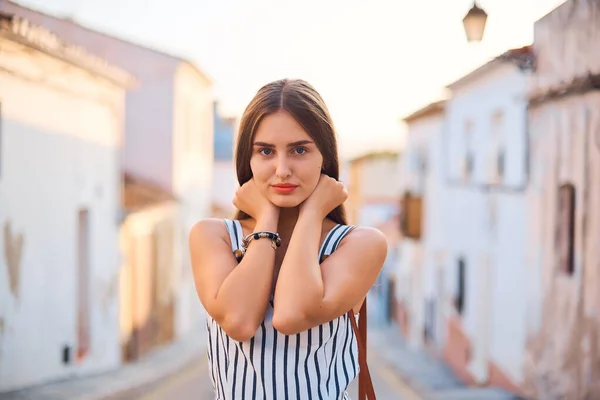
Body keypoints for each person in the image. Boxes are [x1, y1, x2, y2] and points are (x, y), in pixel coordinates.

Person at [189, 78, 387, 399]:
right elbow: (239, 321)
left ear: (324, 156)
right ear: (248, 159)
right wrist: (267, 217)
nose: (282, 169)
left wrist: (312, 213)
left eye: (299, 150)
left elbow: (291, 315)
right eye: (266, 151)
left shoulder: (360, 244)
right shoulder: (213, 236)